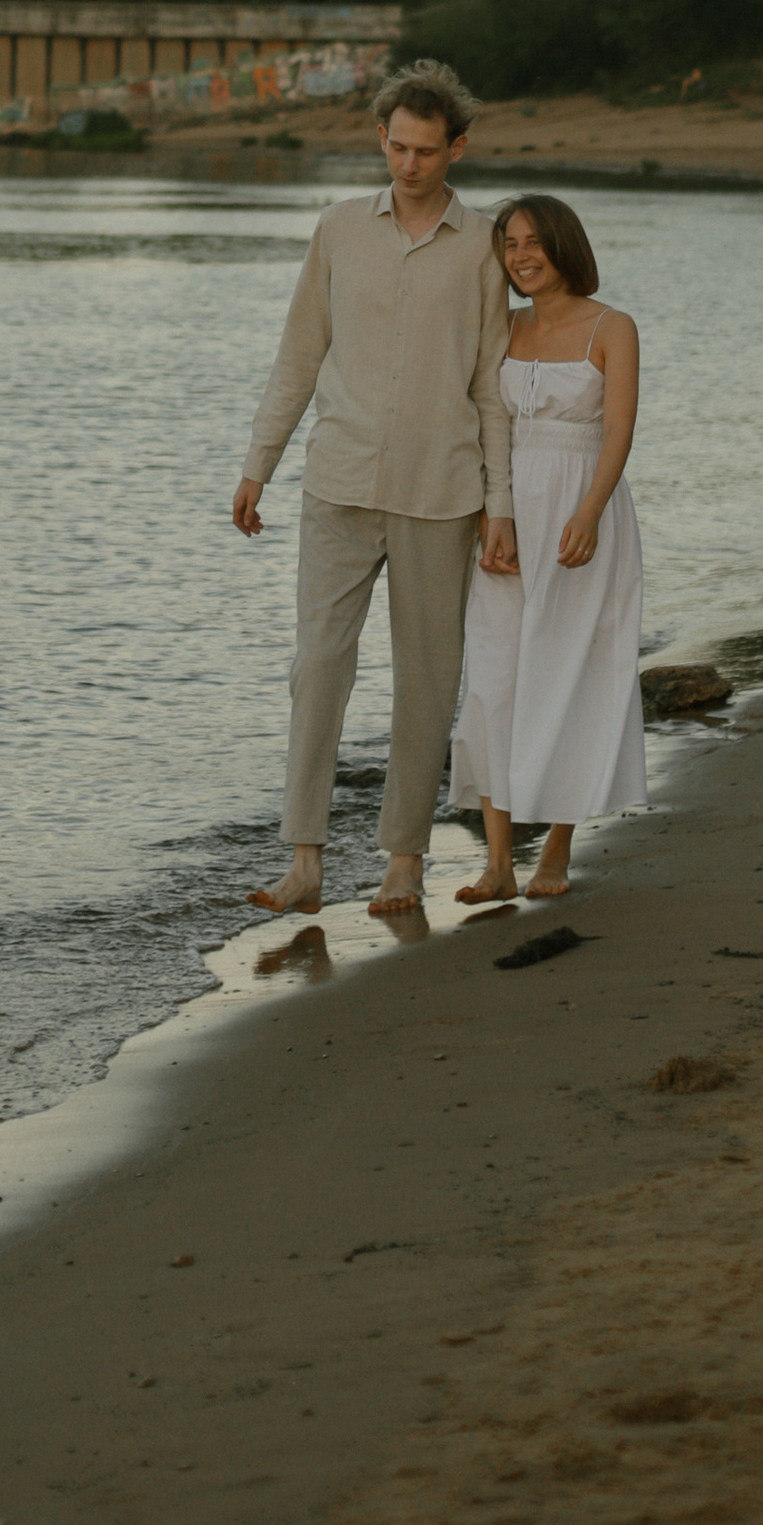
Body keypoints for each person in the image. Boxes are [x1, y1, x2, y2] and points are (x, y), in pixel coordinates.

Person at [231, 63, 517, 921]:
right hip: (340, 481)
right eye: (397, 147)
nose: (409, 165)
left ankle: (402, 862)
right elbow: (298, 355)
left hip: (442, 490)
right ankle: (305, 862)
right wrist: (258, 465)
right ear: (380, 139)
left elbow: (492, 387)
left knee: (428, 680)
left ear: (456, 148)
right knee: (317, 666)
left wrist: (499, 505)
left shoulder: (483, 245)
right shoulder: (337, 230)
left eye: (427, 151)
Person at [449, 194, 644, 904]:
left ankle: (556, 848)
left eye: (533, 241)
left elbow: (619, 428)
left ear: (563, 244)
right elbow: (481, 424)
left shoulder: (612, 327)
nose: (521, 256)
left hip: (580, 511)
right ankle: (498, 863)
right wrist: (485, 516)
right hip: (505, 515)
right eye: (509, 246)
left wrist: (589, 511)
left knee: (573, 673)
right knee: (494, 678)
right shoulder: (502, 327)